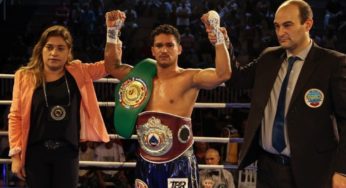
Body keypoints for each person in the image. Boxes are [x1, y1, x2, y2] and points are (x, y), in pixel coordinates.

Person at [205, 0, 346, 187]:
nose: (280, 32)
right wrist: (223, 43)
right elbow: (236, 80)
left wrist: (342, 170)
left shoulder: (333, 63)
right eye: (277, 26)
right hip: (268, 167)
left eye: (287, 25)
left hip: (314, 169)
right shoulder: (269, 57)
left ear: (308, 24)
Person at [104, 10, 231, 188]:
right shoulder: (140, 78)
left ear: (179, 48)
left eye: (170, 45)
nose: (164, 50)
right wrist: (112, 32)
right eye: (159, 45)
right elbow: (112, 66)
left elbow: (223, 74)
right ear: (153, 50)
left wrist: (217, 35)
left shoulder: (190, 78)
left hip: (179, 162)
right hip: (146, 162)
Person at [8, 25, 110, 188]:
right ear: (41, 49)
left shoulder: (78, 71)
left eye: (60, 48)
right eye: (49, 47)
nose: (54, 53)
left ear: (68, 51)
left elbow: (110, 65)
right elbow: (15, 117)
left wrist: (113, 31)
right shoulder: (24, 76)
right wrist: (16, 156)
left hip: (67, 153)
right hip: (35, 153)